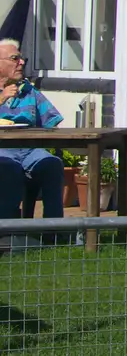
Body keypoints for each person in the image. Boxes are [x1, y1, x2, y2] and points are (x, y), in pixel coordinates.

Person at [0, 38, 65, 222]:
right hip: (2, 150)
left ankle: (54, 230)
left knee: (52, 164)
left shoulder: (29, 91)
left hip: (29, 149)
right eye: (15, 58)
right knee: (7, 167)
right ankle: (7, 230)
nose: (21, 63)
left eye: (22, 59)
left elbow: (52, 122)